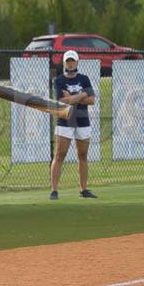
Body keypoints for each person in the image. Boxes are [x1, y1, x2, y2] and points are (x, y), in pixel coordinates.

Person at [49, 50, 97, 200]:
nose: (70, 63)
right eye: (67, 61)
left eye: (72, 61)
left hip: (82, 120)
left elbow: (92, 100)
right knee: (60, 155)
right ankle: (54, 190)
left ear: (77, 62)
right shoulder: (59, 80)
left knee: (82, 155)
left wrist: (72, 98)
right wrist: (82, 95)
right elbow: (61, 101)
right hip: (65, 120)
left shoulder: (84, 79)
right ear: (64, 63)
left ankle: (83, 189)